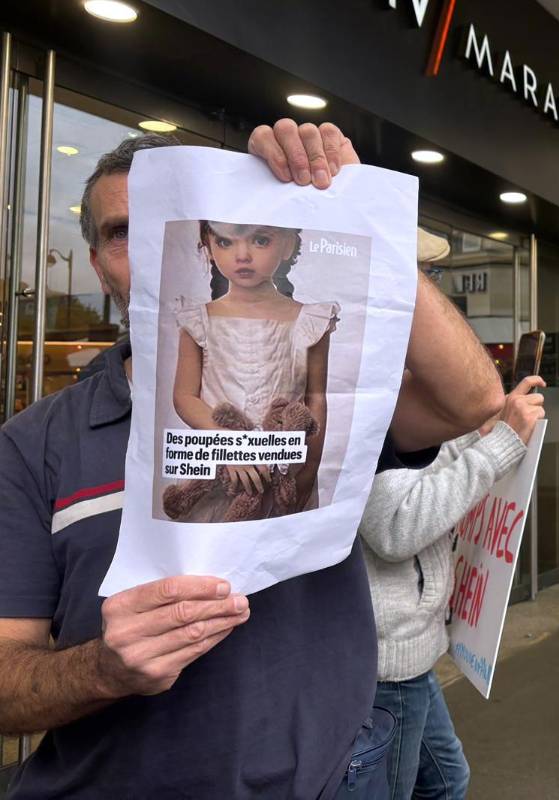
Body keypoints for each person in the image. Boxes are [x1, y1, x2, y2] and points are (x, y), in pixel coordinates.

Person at [0, 121, 505, 798]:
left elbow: (474, 400)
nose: (149, 245)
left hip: (332, 776)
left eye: (168, 221)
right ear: (97, 263)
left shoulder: (314, 377)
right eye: (124, 232)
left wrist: (357, 212)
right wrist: (102, 671)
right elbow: (7, 683)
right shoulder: (36, 443)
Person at [361, 373, 547, 800]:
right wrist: (497, 446)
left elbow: (422, 468)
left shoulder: (398, 408)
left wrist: (480, 436)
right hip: (388, 665)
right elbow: (396, 526)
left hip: (409, 652)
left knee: (447, 781)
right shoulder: (373, 403)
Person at [166, 221, 336, 521]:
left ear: (287, 244)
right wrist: (227, 444)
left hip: (286, 479)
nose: (242, 255)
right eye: (225, 242)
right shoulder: (197, 319)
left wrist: (309, 473)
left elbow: (316, 400)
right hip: (222, 480)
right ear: (208, 243)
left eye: (259, 240)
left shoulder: (311, 320)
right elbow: (184, 396)